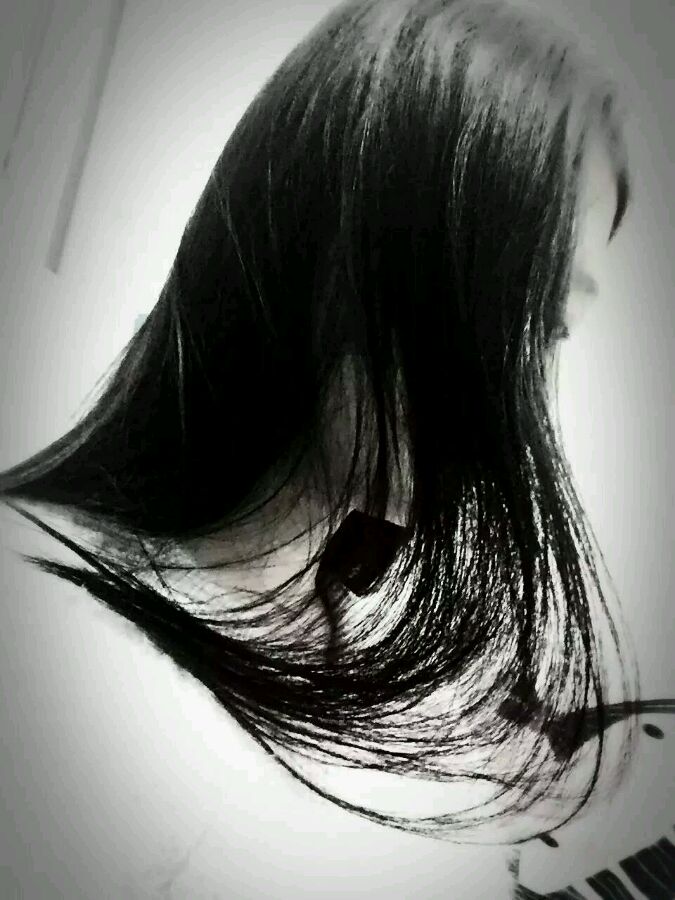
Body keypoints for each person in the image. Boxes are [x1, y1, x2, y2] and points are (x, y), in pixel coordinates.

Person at [0, 0, 656, 895]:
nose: (528, 393)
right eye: (524, 313)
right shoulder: (41, 650)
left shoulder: (347, 620)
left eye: (550, 331)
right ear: (346, 246)